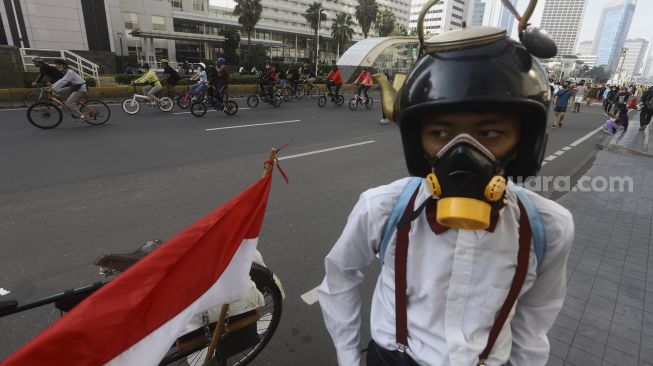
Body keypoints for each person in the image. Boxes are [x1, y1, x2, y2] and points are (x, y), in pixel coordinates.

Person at [318, 23, 573, 366]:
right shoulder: (383, 208)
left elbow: (535, 320)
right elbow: (340, 277)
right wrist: (348, 359)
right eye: (440, 132)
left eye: (490, 132)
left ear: (524, 142)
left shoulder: (547, 228)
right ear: (417, 141)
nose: (464, 152)